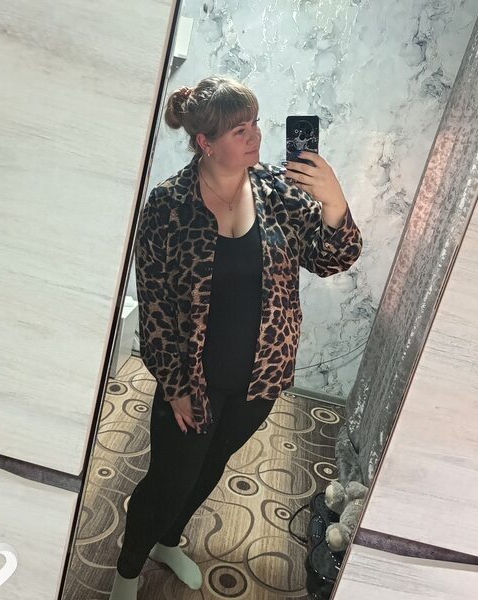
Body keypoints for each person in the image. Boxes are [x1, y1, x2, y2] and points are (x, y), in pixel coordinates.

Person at [109, 75, 363, 599]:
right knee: (168, 480)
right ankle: (126, 572)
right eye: (239, 130)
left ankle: (167, 543)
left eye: (256, 124)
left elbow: (329, 259)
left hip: (259, 381)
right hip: (191, 383)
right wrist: (175, 386)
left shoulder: (278, 192)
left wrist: (334, 203)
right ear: (205, 142)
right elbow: (155, 306)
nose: (256, 137)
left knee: (209, 471)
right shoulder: (168, 206)